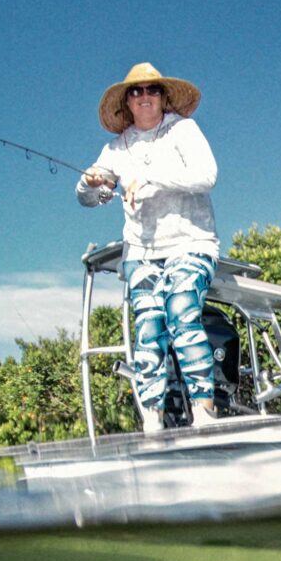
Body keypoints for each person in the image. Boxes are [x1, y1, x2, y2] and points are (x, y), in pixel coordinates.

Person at [76, 62, 220, 432]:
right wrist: (91, 183)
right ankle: (152, 420)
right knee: (148, 328)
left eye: (151, 90)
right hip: (140, 251)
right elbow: (86, 197)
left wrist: (149, 178)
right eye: (136, 92)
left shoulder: (182, 130)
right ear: (126, 101)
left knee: (182, 311)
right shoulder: (115, 147)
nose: (144, 97)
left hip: (191, 242)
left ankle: (204, 411)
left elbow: (207, 175)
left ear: (163, 97)